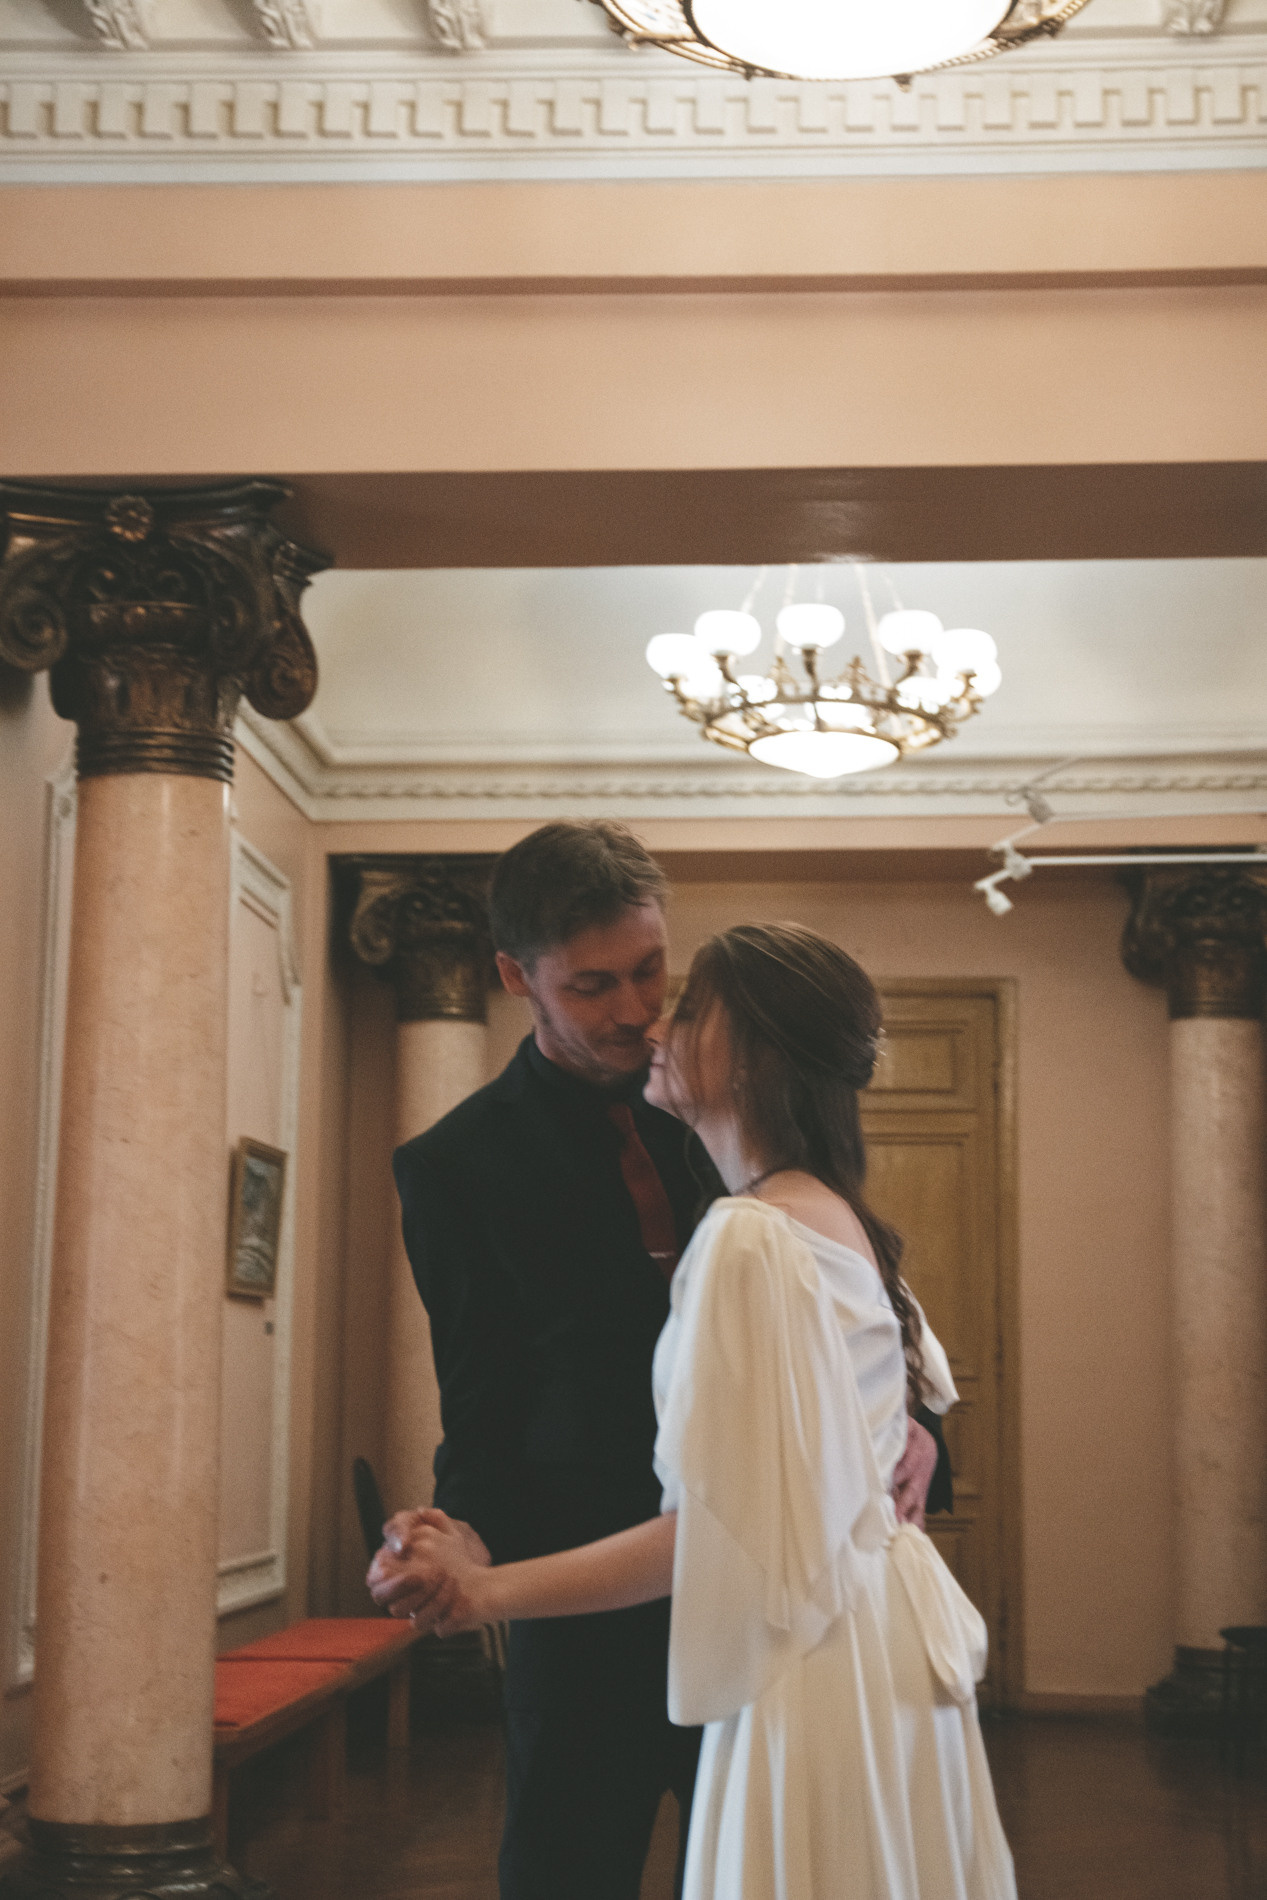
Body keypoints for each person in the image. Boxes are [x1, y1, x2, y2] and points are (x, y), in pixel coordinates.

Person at [381, 827, 951, 1900]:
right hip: (581, 1605)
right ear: (516, 977)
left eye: (650, 971)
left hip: (773, 1602)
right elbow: (482, 1398)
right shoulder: (455, 1165)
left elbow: (862, 1314)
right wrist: (464, 1540)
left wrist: (913, 1429)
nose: (638, 1011)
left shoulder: (727, 1100)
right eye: (592, 985)